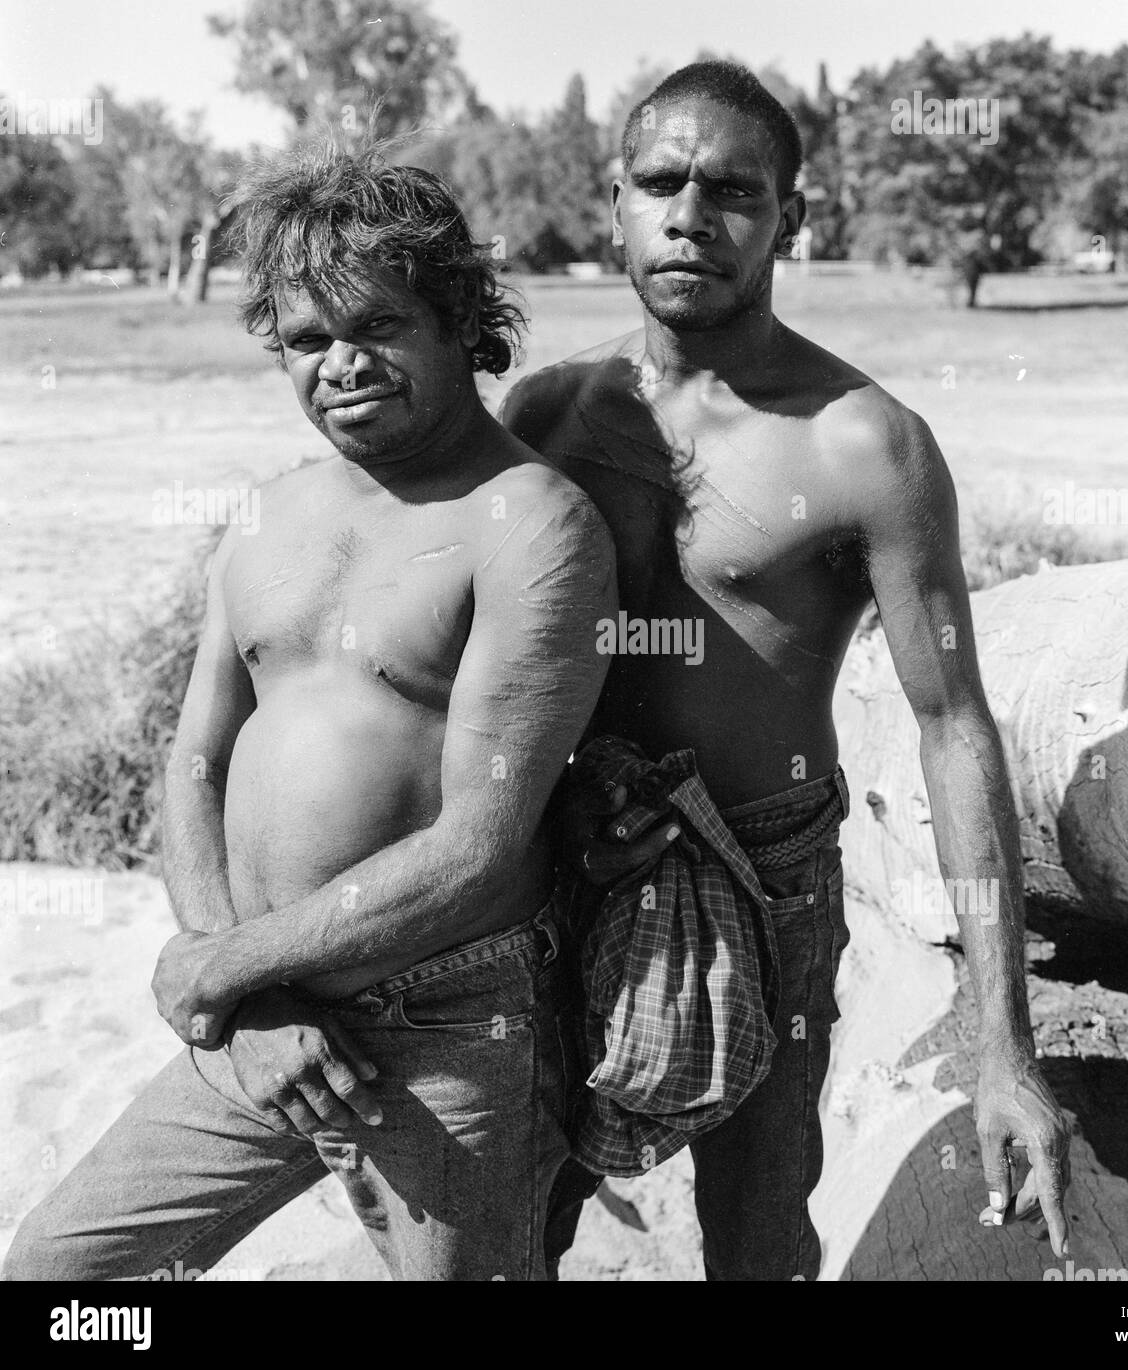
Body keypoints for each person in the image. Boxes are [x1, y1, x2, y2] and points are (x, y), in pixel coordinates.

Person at [3, 140, 615, 1283]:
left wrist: (221, 969)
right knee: (55, 1270)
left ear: (455, 319)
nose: (341, 363)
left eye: (376, 325)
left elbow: (476, 846)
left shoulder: (530, 524)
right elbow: (191, 762)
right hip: (262, 1017)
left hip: (449, 1022)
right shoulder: (264, 517)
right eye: (305, 339)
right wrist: (244, 984)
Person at [500, 60, 1072, 1281]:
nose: (690, 214)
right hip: (564, 853)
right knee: (519, 1212)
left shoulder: (861, 441)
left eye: (732, 191)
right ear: (613, 204)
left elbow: (954, 725)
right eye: (660, 182)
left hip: (766, 871)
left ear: (790, 220)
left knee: (760, 1232)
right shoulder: (544, 414)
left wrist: (1001, 1040)